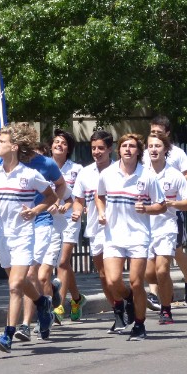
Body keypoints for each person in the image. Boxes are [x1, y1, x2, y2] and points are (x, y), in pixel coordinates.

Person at [0, 123, 59, 353]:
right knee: (20, 283)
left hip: (24, 235)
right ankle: (42, 303)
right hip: (2, 235)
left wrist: (35, 211)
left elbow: (51, 196)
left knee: (15, 285)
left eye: (2, 142)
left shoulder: (29, 174)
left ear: (14, 147)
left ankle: (7, 334)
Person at [95, 133, 166, 340]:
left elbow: (161, 205)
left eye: (132, 146)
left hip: (138, 236)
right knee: (113, 281)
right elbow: (99, 196)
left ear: (138, 151)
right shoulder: (108, 174)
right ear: (119, 150)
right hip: (113, 235)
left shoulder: (147, 176)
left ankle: (140, 325)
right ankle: (129, 300)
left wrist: (147, 209)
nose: (128, 149)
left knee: (136, 282)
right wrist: (101, 212)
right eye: (124, 146)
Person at [16, 142, 68, 340]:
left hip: (43, 223)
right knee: (23, 277)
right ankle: (46, 304)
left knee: (32, 273)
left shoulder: (47, 165)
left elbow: (64, 189)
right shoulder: (7, 164)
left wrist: (56, 202)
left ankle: (25, 325)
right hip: (18, 226)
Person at [144, 115, 187, 308]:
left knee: (176, 251)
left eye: (159, 133)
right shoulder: (145, 156)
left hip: (170, 215)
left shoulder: (177, 154)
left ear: (167, 134)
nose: (155, 138)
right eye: (152, 133)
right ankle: (156, 293)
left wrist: (175, 183)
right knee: (151, 269)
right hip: (148, 220)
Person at [71, 130, 115, 314]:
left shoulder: (118, 171)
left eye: (101, 148)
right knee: (103, 274)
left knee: (113, 275)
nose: (97, 152)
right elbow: (78, 200)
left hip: (117, 229)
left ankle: (124, 303)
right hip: (95, 229)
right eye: (94, 148)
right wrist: (77, 211)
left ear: (110, 149)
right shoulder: (85, 173)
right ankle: (117, 309)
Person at [49, 129, 86, 322]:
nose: (59, 145)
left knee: (62, 262)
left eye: (63, 143)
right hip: (50, 219)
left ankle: (59, 307)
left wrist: (72, 207)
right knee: (62, 263)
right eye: (56, 142)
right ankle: (77, 299)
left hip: (71, 218)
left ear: (68, 149)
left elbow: (79, 195)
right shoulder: (44, 166)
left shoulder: (77, 169)